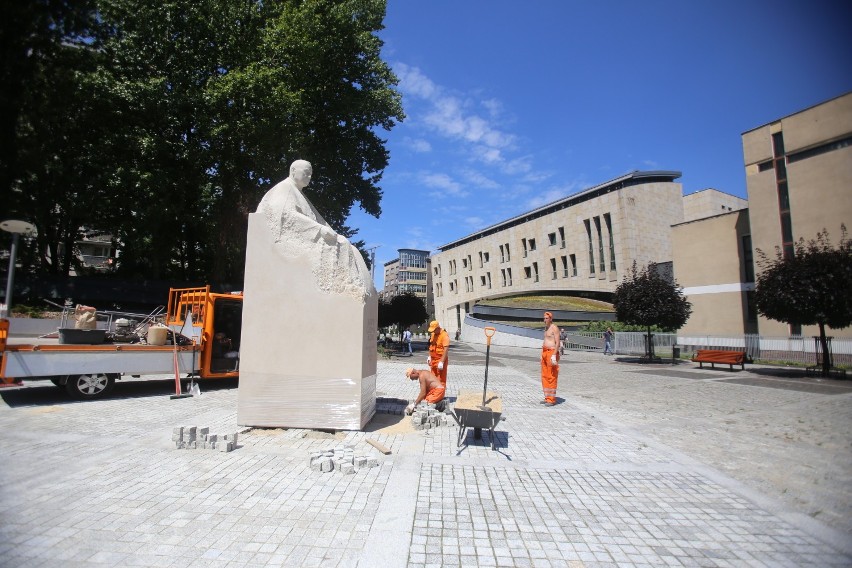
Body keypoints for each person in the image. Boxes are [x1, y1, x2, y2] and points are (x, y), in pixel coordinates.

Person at [541, 311, 560, 406]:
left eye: (546, 318)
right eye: (544, 318)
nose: (545, 320)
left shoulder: (554, 328)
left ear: (551, 319)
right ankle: (547, 397)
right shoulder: (546, 328)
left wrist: (554, 355)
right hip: (545, 352)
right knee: (544, 375)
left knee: (551, 375)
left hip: (551, 352)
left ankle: (551, 399)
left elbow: (557, 343)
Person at [427, 320, 450, 386]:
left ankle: (440, 394)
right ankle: (434, 393)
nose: (433, 331)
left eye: (434, 330)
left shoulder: (444, 336)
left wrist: (442, 362)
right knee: (433, 378)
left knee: (441, 378)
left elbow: (445, 350)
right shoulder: (433, 334)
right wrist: (429, 357)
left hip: (440, 359)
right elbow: (431, 345)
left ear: (438, 328)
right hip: (433, 360)